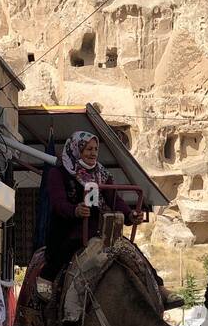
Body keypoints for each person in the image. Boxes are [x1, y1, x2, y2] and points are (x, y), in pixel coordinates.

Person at [36, 129, 180, 307]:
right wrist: (75, 210)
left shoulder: (100, 173)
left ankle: (159, 288)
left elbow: (114, 200)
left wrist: (129, 214)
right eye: (88, 149)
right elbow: (58, 202)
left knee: (132, 250)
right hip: (68, 228)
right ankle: (47, 277)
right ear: (76, 148)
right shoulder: (59, 173)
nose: (93, 153)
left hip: (97, 228)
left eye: (95, 149)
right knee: (66, 250)